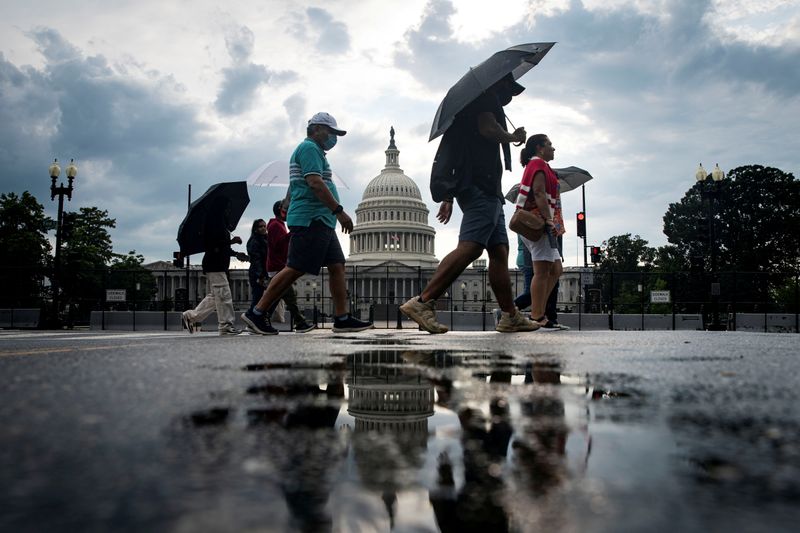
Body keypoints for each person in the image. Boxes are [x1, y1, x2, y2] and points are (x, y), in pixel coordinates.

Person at [400, 74, 538, 333]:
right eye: (509, 89)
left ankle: (510, 315)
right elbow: (488, 128)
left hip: (485, 188)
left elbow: (464, 148)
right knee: (472, 247)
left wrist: (450, 196)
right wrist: (512, 137)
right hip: (481, 186)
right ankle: (423, 301)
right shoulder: (484, 99)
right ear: (500, 84)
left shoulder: (474, 104)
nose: (509, 95)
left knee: (499, 252)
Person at [242, 112, 372, 335]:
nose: (334, 138)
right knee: (295, 268)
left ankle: (341, 318)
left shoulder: (315, 152)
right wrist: (339, 211)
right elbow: (314, 183)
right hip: (313, 218)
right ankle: (257, 312)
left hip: (322, 219)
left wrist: (287, 202)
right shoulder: (309, 149)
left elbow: (298, 183)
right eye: (331, 132)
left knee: (337, 266)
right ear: (317, 129)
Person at [513, 134, 564, 328]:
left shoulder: (539, 165)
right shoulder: (538, 165)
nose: (553, 148)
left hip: (539, 222)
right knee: (542, 271)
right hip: (538, 222)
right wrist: (549, 219)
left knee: (555, 269)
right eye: (550, 144)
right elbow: (539, 192)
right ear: (539, 148)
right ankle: (536, 316)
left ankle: (539, 312)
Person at [181, 197, 248, 335]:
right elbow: (213, 245)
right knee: (224, 295)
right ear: (222, 208)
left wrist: (235, 254)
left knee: (215, 296)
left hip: (217, 264)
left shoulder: (221, 224)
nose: (229, 210)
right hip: (215, 264)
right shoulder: (213, 223)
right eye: (227, 206)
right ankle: (225, 326)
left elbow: (221, 246)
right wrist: (232, 242)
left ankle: (190, 316)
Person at [266, 200, 314, 333]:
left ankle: (258, 317)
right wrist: (291, 234)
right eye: (287, 209)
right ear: (280, 210)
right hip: (278, 267)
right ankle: (300, 322)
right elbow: (277, 246)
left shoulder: (279, 224)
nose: (289, 211)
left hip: (279, 266)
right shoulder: (275, 225)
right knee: (289, 298)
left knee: (276, 297)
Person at [513, 236, 569, 331]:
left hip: (547, 234)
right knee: (541, 274)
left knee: (556, 270)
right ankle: (536, 316)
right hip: (541, 233)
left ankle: (541, 315)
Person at [246, 218, 268, 312]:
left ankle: (253, 318)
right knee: (257, 298)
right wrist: (260, 276)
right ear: (255, 229)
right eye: (260, 226)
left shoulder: (264, 239)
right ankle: (250, 316)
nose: (263, 228)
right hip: (257, 273)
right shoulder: (254, 241)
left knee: (260, 298)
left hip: (263, 272)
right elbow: (256, 260)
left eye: (264, 226)